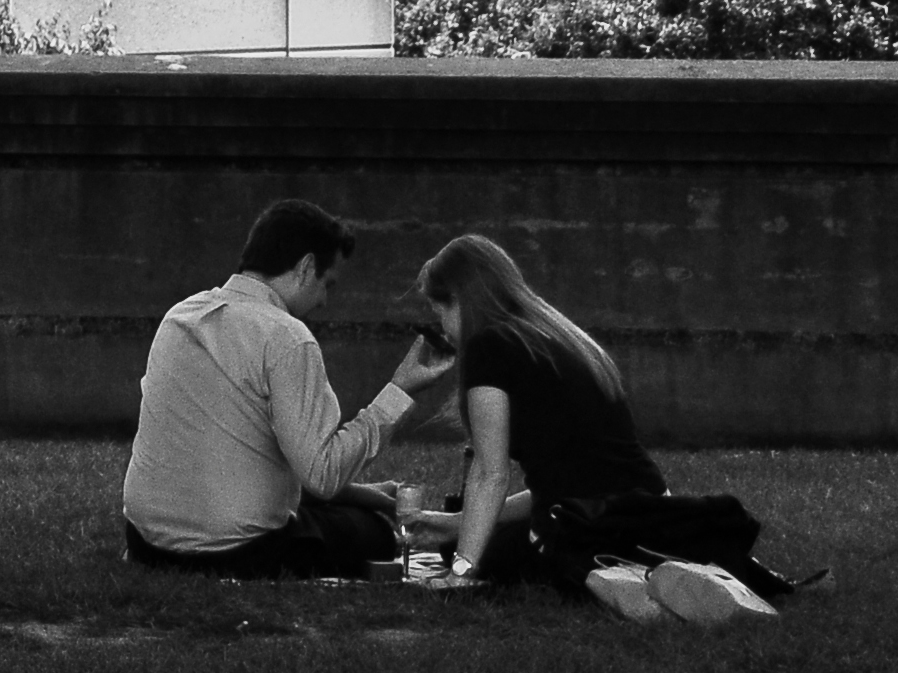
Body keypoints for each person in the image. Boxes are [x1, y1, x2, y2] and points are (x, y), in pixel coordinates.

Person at [418, 233, 803, 599]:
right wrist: (453, 520)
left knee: (469, 550)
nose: (444, 331)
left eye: (440, 313)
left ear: (459, 299)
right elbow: (568, 478)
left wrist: (460, 572)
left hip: (588, 528)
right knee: (468, 535)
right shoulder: (555, 336)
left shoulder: (490, 346)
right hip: (650, 511)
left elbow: (491, 473)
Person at [122, 200, 452, 578]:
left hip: (147, 545)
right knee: (375, 533)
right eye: (326, 284)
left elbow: (243, 463)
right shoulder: (286, 337)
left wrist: (366, 493)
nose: (325, 301)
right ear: (306, 267)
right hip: (237, 553)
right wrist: (400, 389)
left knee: (341, 511)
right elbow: (322, 475)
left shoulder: (178, 317)